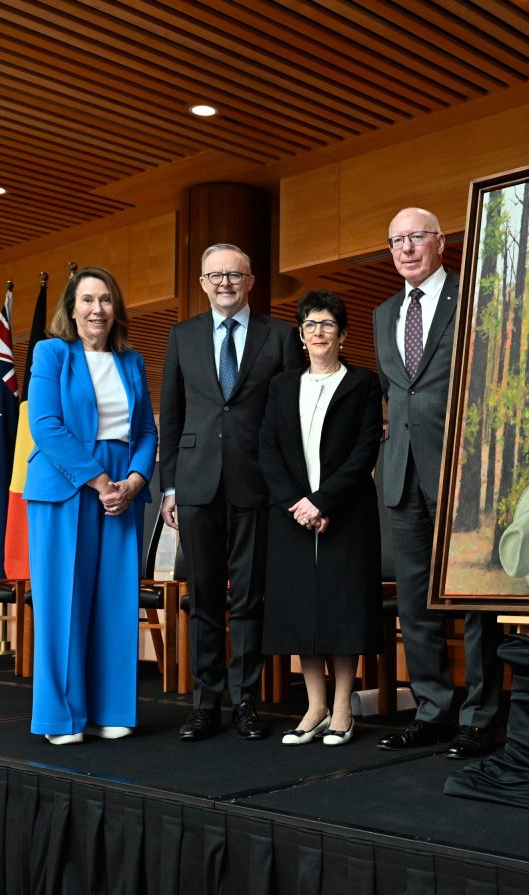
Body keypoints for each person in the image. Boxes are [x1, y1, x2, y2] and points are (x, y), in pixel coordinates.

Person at [373, 207, 504, 759]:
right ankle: (431, 709)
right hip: (401, 473)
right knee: (415, 603)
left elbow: (488, 382)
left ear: (440, 242)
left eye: (416, 237)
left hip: (461, 473)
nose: (406, 248)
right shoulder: (382, 314)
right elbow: (392, 392)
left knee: (474, 599)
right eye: (396, 239)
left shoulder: (471, 299)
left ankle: (481, 715)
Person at [159, 244, 301, 742]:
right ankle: (205, 704)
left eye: (234, 274)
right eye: (215, 275)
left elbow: (288, 418)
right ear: (202, 282)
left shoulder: (280, 336)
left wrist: (288, 487)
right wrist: (170, 486)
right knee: (202, 601)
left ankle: (246, 702)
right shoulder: (182, 336)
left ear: (250, 281)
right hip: (196, 485)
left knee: (247, 600)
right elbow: (172, 416)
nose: (224, 282)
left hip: (256, 484)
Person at [23, 268, 157, 745]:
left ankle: (111, 709)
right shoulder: (51, 352)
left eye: (105, 299)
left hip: (123, 485)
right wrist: (101, 482)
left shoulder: (132, 360)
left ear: (115, 309)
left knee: (116, 600)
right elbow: (45, 425)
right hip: (67, 483)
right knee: (63, 602)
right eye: (87, 300)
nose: (97, 308)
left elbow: (145, 430)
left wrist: (136, 480)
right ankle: (60, 717)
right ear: (72, 307)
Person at [258, 290, 384, 747]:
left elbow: (364, 449)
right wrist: (298, 504)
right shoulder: (282, 385)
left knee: (342, 610)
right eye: (310, 325)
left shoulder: (363, 383)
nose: (318, 332)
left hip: (346, 514)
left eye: (327, 324)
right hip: (292, 516)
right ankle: (313, 707)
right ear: (301, 333)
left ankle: (344, 709)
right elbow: (268, 449)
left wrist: (324, 502)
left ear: (343, 334)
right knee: (302, 611)